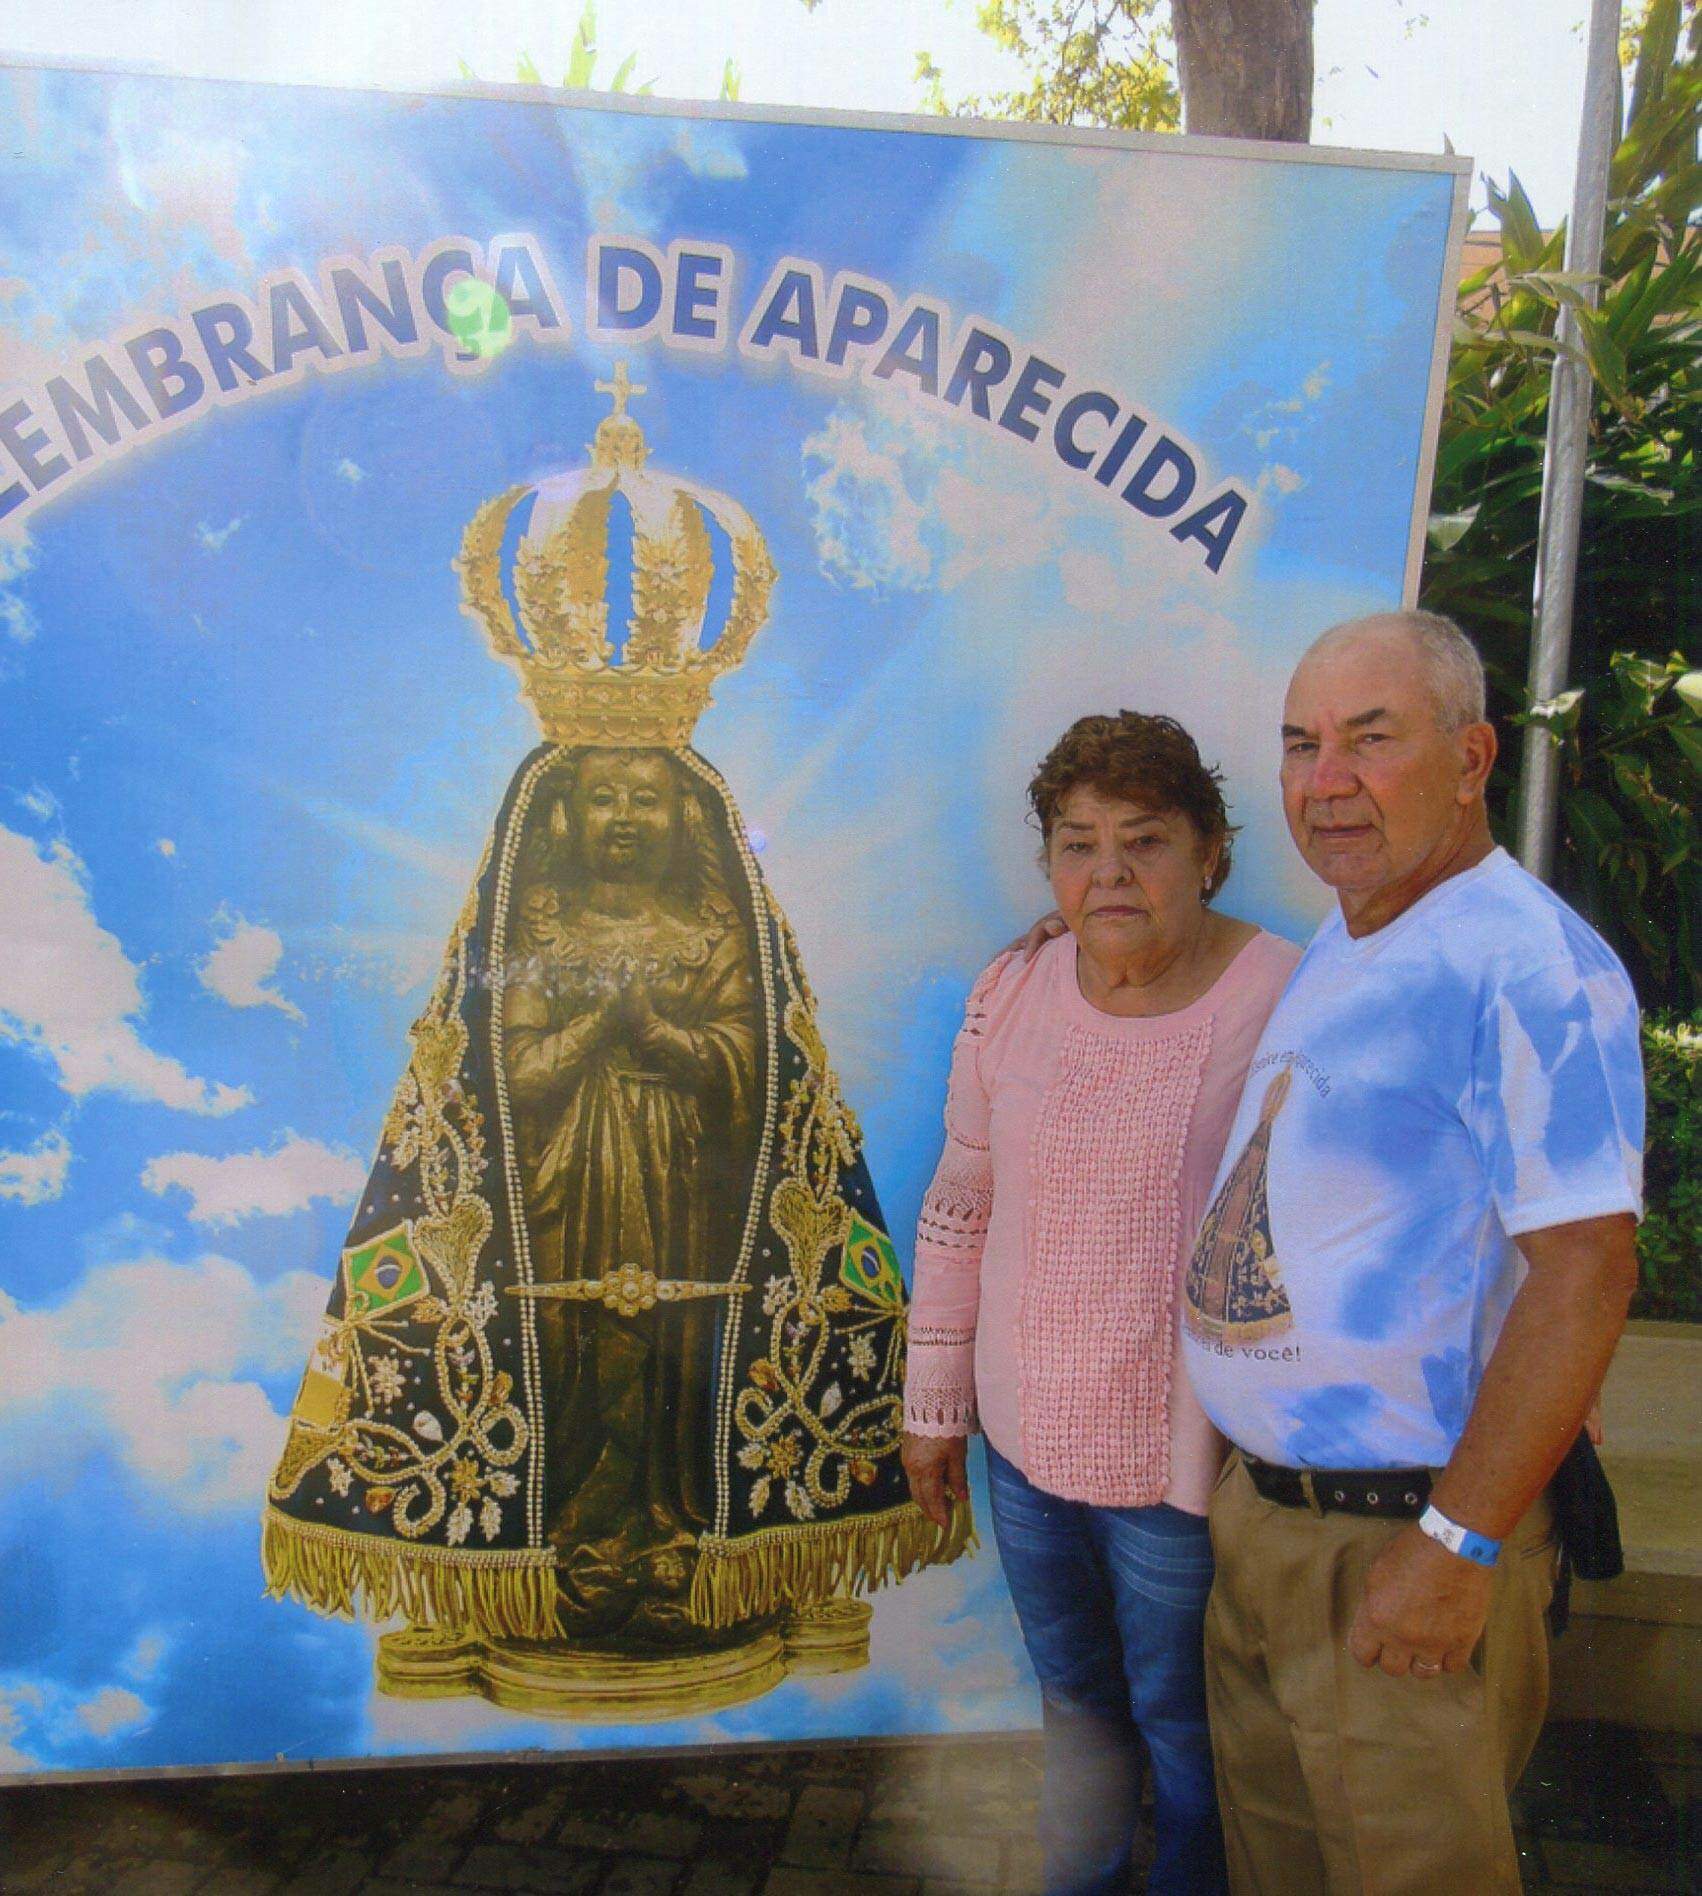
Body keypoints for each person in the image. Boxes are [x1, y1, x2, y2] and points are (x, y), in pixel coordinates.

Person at [1180, 610, 1643, 1892]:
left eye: (1368, 740)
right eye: (1299, 744)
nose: (1324, 780)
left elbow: (1588, 1270)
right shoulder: (1353, 928)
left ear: (1472, 756)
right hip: (1277, 1531)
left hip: (1400, 1546)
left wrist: (1457, 1549)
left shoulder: (1527, 965)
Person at [903, 711, 1301, 1896]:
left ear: (1211, 850)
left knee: (1185, 1721)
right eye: (1077, 845)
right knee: (1075, 1701)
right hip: (1024, 1446)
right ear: (1046, 866)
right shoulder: (1013, 987)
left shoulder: (1283, 995)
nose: (1108, 873)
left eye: (1145, 841)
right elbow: (960, 1202)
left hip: (1183, 1464)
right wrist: (935, 1409)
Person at [504, 747, 759, 1638]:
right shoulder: (535, 935)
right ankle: (576, 1540)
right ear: (565, 818)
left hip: (686, 1181)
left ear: (682, 818)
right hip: (566, 1185)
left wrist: (651, 1031)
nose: (623, 817)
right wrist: (592, 1030)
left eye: (645, 800)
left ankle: (665, 1539)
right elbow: (516, 1076)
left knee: (672, 1350)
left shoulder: (715, 934)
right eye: (601, 797)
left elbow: (750, 1059)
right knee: (574, 1347)